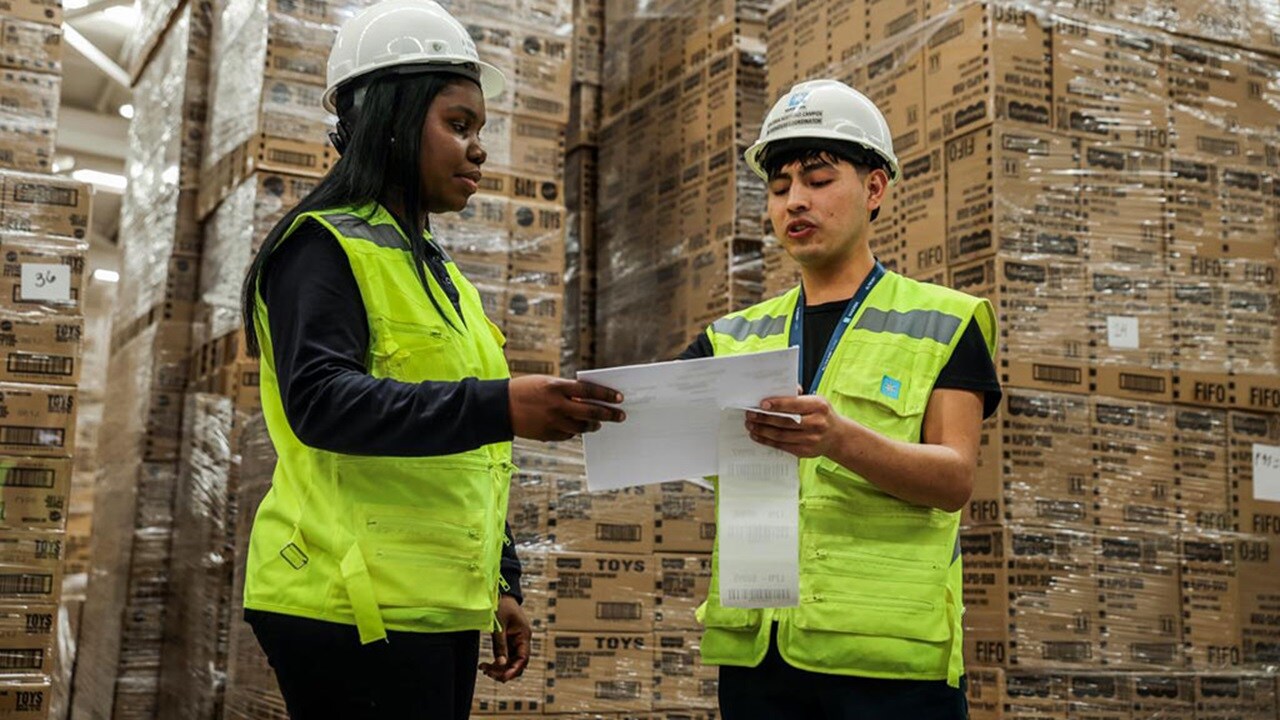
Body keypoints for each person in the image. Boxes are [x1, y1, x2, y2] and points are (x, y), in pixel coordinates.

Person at [236, 1, 624, 717]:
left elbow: (471, 457)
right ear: (388, 118)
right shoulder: (320, 247)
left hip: (430, 604)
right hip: (345, 607)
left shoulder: (442, 277)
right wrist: (501, 404)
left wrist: (500, 582)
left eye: (479, 129)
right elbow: (321, 402)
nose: (478, 148)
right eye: (458, 124)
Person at [679, 79, 1002, 720]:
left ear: (875, 188)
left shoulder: (945, 321)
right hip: (759, 661)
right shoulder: (732, 338)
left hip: (886, 668)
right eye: (779, 188)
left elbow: (954, 479)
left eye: (820, 180)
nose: (795, 201)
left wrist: (838, 440)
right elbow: (660, 429)